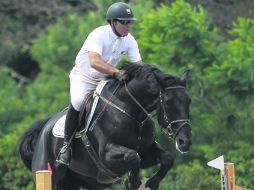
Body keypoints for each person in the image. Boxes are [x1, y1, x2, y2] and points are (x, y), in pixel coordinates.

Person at [56, 2, 143, 166]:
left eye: (130, 22)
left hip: (105, 79)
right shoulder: (99, 34)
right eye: (124, 22)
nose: (128, 26)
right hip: (84, 77)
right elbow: (94, 61)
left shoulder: (130, 40)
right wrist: (116, 72)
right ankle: (66, 147)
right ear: (113, 22)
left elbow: (139, 66)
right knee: (79, 101)